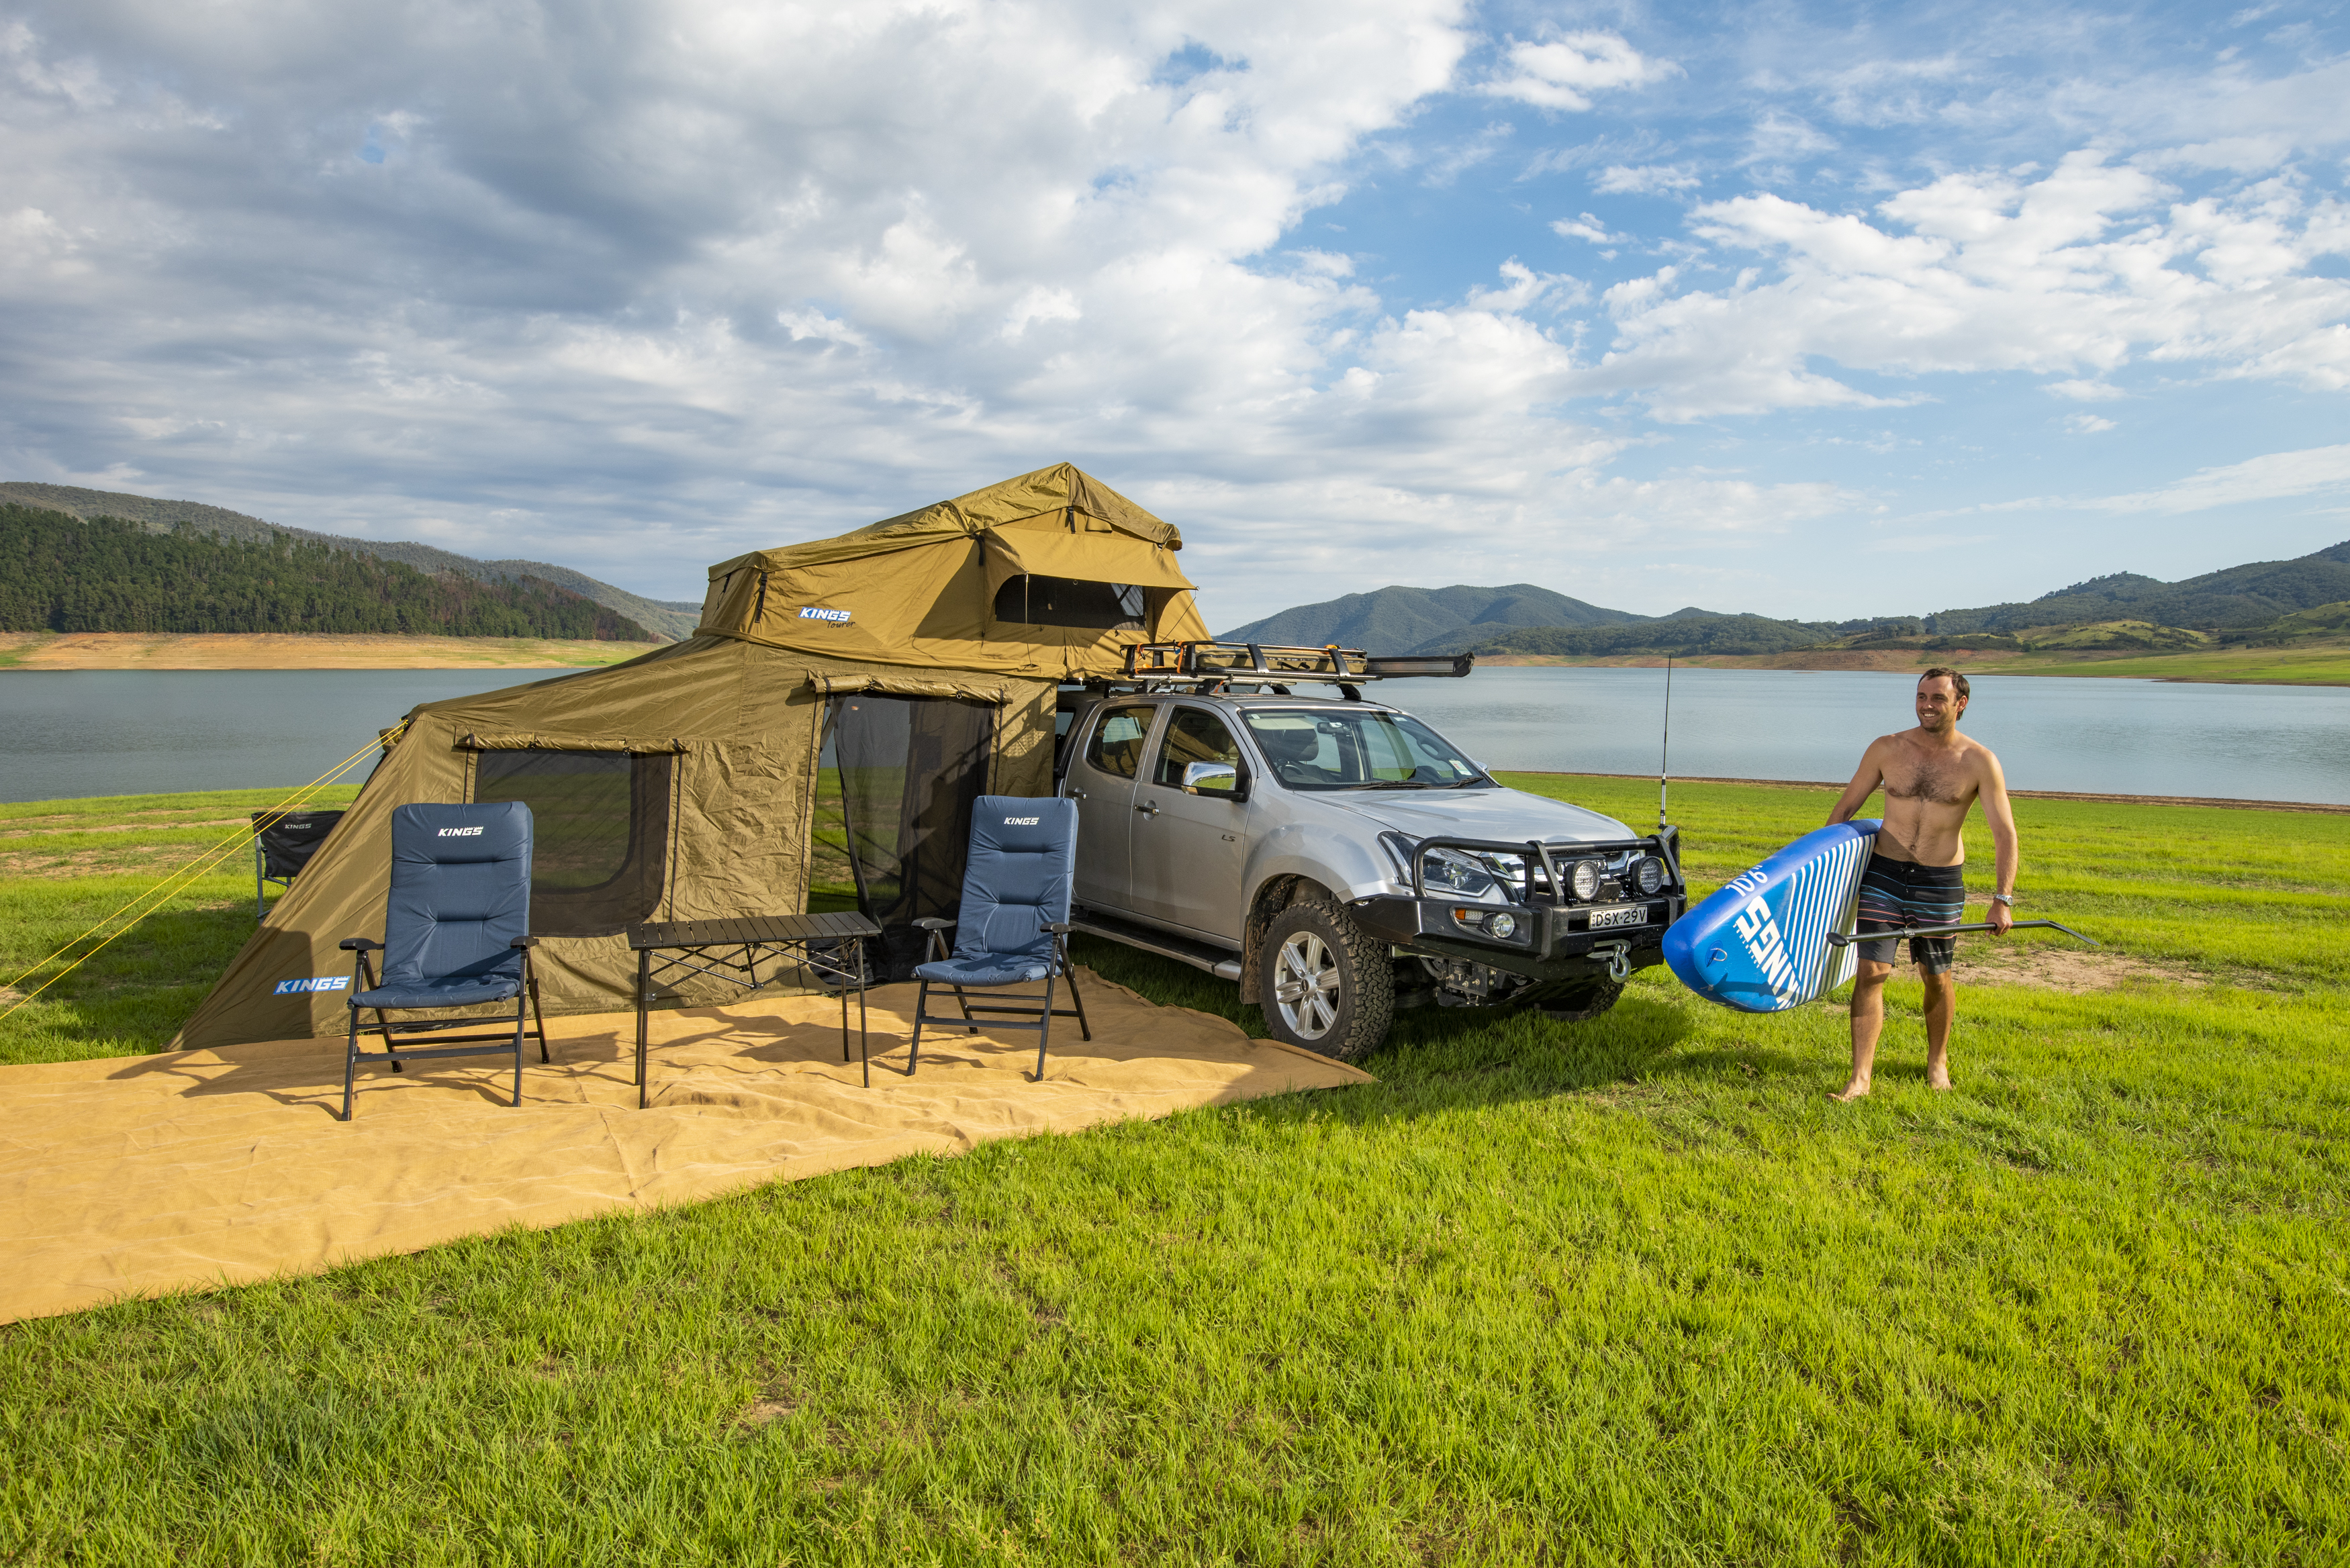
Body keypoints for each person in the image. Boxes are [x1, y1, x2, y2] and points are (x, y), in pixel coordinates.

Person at [1824, 668, 2018, 1099]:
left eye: (1938, 698)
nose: (1927, 705)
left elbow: (2004, 833)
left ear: (1960, 704)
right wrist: (1818, 873)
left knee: (1936, 975)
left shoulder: (1978, 761)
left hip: (1939, 881)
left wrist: (2001, 898)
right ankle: (1860, 1078)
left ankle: (1937, 1062)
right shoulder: (1887, 748)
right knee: (1871, 972)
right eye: (1921, 696)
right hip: (1883, 873)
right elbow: (1845, 810)